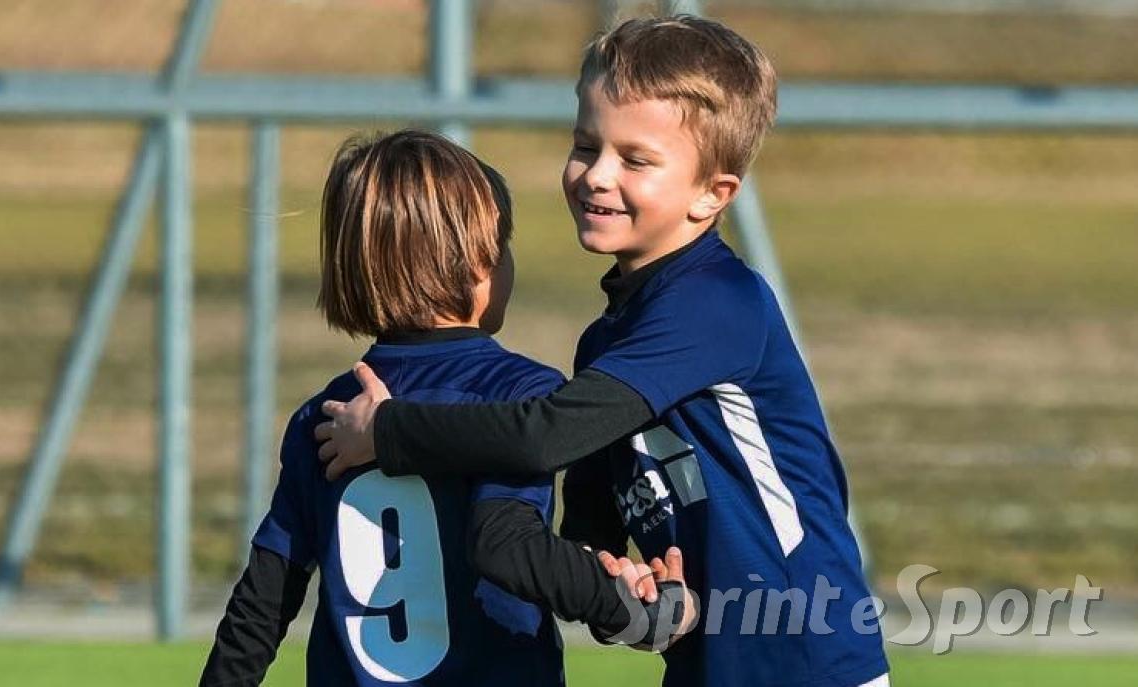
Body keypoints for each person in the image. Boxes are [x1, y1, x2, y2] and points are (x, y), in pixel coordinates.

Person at [316, 16, 890, 687]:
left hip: (803, 659)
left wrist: (389, 430)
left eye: (636, 159)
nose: (596, 175)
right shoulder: (609, 338)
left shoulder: (715, 302)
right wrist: (618, 588)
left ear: (713, 193)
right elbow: (593, 520)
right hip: (712, 661)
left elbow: (545, 436)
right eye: (586, 145)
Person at [199, 130, 690, 687]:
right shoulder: (517, 393)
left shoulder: (326, 415)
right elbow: (512, 547)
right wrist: (631, 609)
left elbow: (265, 597)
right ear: (481, 261)